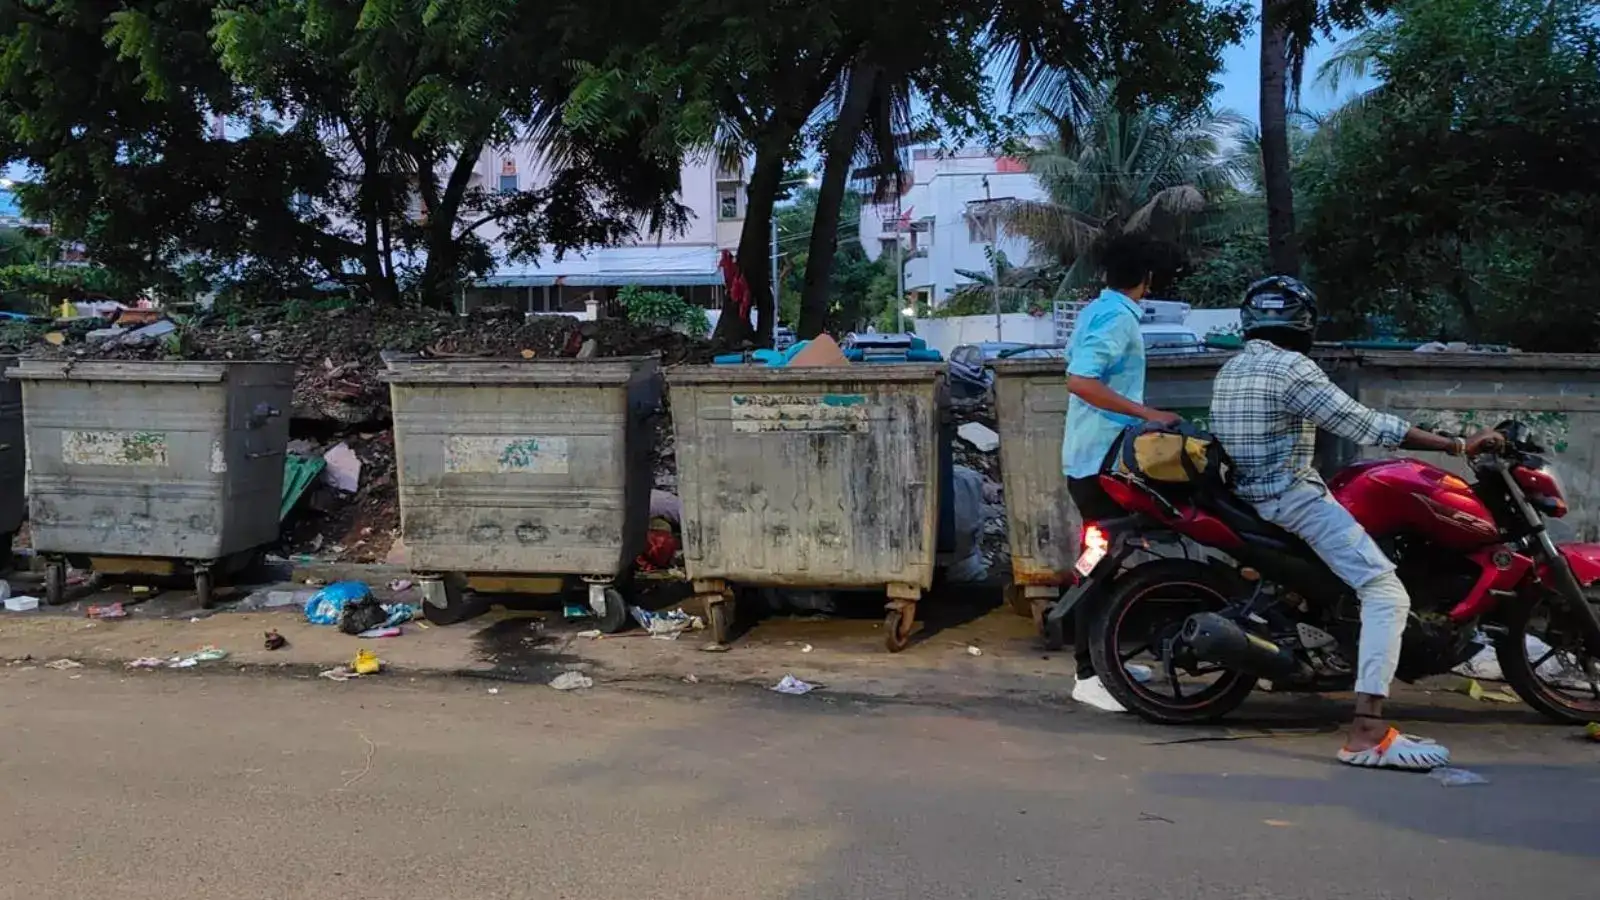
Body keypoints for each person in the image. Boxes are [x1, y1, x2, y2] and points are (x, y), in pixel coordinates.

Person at [1210, 276, 1501, 770]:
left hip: (1248, 495)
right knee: (1386, 592)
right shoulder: (1293, 370)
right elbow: (1363, 424)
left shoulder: (1233, 368)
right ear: (1303, 323)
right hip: (1289, 499)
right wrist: (1455, 445)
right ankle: (1367, 731)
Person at [1062, 234, 1181, 712]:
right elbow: (1080, 379)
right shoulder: (1115, 318)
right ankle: (1086, 674)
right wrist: (1145, 413)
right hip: (1098, 463)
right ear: (1147, 280)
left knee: (1103, 563)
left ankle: (1099, 662)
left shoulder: (1100, 310)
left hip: (1091, 459)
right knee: (1100, 564)